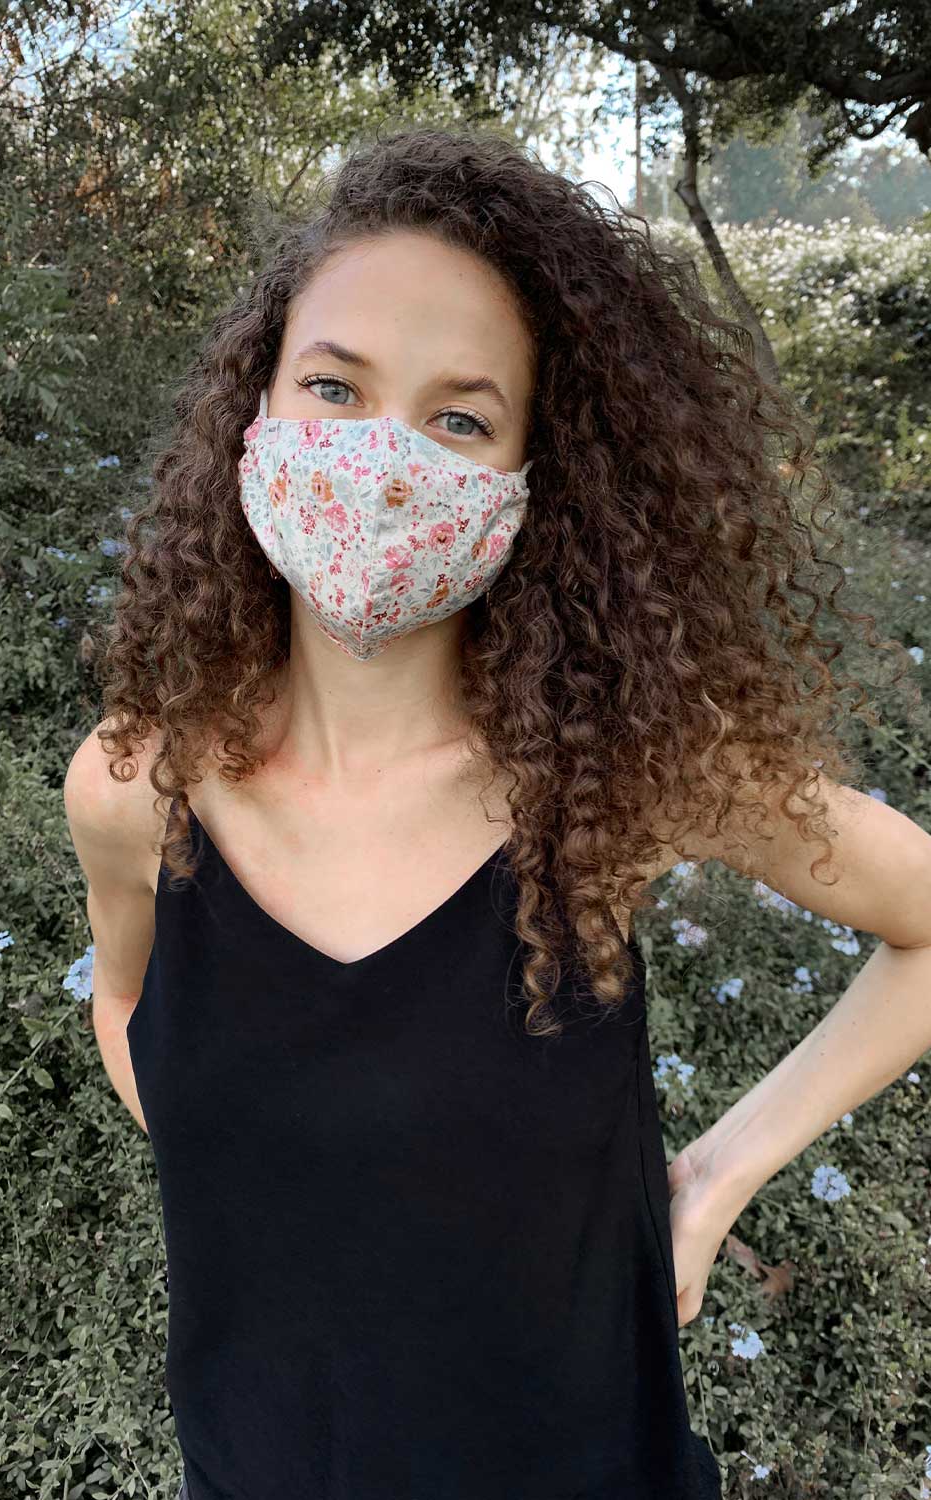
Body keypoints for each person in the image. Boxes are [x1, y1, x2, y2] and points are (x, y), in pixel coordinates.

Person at [62, 125, 868, 1500]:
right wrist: (283, 1170)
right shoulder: (134, 786)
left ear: (532, 480)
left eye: (459, 418)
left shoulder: (615, 778)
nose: (382, 461)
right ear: (255, 411)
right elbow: (123, 1000)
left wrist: (720, 1176)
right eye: (335, 386)